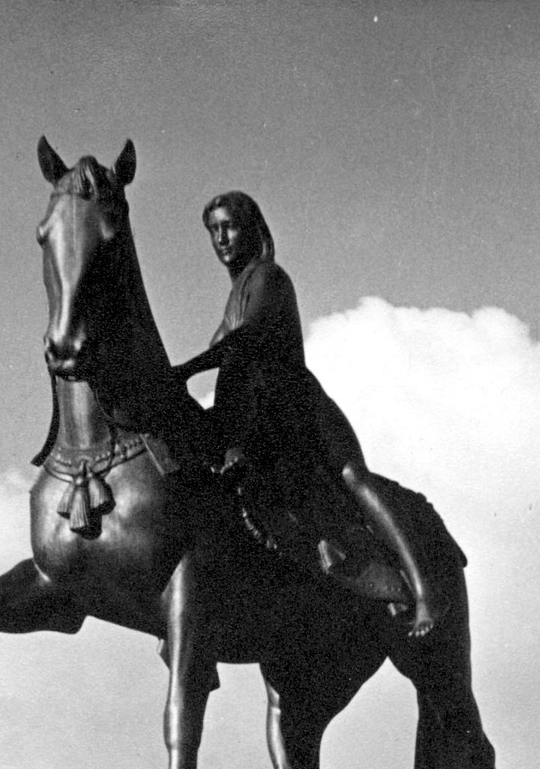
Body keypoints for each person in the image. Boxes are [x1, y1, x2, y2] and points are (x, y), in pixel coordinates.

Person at [173, 191, 438, 637]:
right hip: (252, 410)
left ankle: (425, 591)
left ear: (252, 227)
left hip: (297, 409)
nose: (220, 239)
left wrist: (184, 370)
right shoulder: (235, 294)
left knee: (354, 477)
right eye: (213, 231)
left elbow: (243, 340)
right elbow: (221, 344)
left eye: (229, 227)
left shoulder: (270, 278)